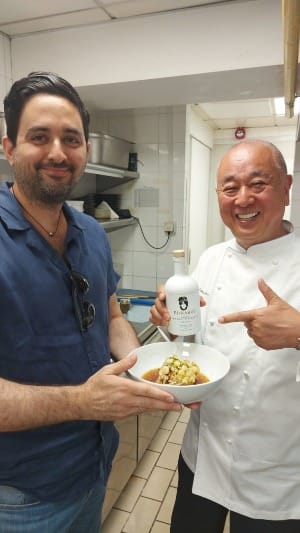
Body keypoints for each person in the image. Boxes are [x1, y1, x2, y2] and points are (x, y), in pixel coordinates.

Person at [0, 71, 181, 533]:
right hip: (22, 496)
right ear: (8, 148)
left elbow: (113, 315)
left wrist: (151, 370)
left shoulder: (92, 233)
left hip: (94, 466)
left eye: (71, 138)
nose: (58, 152)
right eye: (39, 137)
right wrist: (84, 401)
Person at [150, 139, 300, 533]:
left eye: (258, 184)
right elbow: (195, 344)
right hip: (203, 457)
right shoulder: (212, 259)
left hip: (279, 477)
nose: (243, 198)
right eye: (230, 188)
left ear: (286, 187)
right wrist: (168, 319)